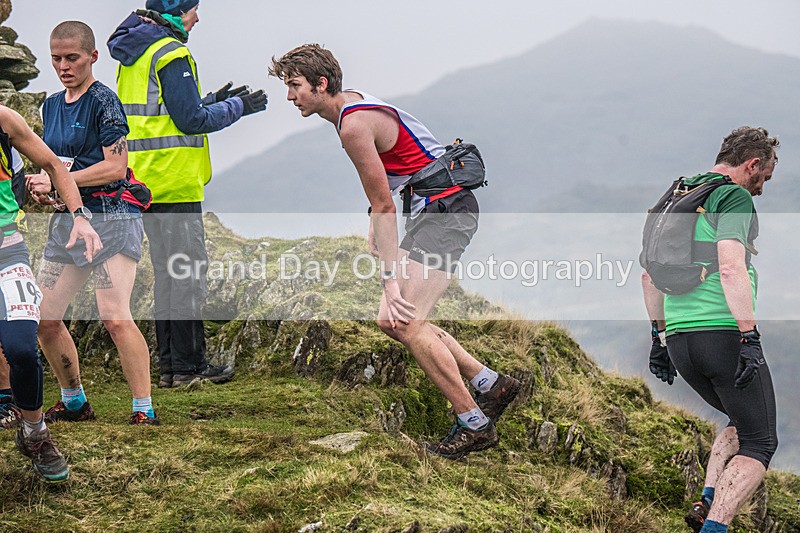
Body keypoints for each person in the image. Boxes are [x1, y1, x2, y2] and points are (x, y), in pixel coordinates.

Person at [270, 44, 520, 460]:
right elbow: (386, 185)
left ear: (321, 83)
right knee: (394, 321)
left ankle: (474, 424)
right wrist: (374, 218)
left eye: (294, 86)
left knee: (405, 319)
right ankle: (491, 384)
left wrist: (388, 278)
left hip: (446, 210)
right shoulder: (350, 107)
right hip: (438, 209)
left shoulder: (351, 126)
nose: (290, 96)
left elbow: (386, 203)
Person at [107, 0, 267, 389]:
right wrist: (238, 107)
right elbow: (190, 121)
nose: (197, 16)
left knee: (168, 275)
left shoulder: (135, 51)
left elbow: (156, 115)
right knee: (187, 275)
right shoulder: (171, 51)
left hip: (144, 183)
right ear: (177, 11)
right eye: (193, 8)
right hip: (174, 181)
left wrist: (209, 100)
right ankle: (189, 368)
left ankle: (170, 369)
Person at [642, 127, 779, 533]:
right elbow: (731, 266)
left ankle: (706, 502)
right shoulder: (731, 197)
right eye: (765, 178)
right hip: (722, 334)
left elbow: (650, 275)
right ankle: (715, 527)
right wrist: (749, 337)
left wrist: (659, 338)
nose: (761, 189)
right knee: (761, 442)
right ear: (752, 164)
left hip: (682, 341)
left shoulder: (677, 196)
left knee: (742, 420)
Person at [26, 21, 159, 426]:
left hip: (114, 216)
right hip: (68, 221)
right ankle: (74, 400)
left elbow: (115, 167)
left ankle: (143, 409)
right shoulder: (50, 106)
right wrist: (47, 188)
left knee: (114, 316)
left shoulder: (105, 101)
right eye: (56, 58)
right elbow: (57, 163)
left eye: (72, 58)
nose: (64, 66)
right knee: (45, 318)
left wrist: (60, 180)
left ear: (92, 57)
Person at [0, 101, 102, 481]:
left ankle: (34, 432)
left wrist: (80, 218)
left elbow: (55, 165)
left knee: (23, 348)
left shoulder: (4, 118)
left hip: (7, 249)